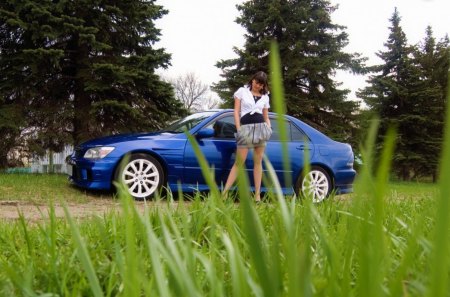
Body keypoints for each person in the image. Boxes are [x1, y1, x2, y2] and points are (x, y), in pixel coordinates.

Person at [223, 71, 272, 202]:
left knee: (258, 162)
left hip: (261, 129)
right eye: (256, 82)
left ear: (263, 85)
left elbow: (266, 116)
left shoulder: (265, 97)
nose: (258, 86)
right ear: (252, 80)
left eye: (261, 84)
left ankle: (257, 195)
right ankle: (225, 193)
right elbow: (236, 111)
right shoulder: (242, 91)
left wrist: (269, 129)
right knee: (239, 162)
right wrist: (239, 129)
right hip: (245, 128)